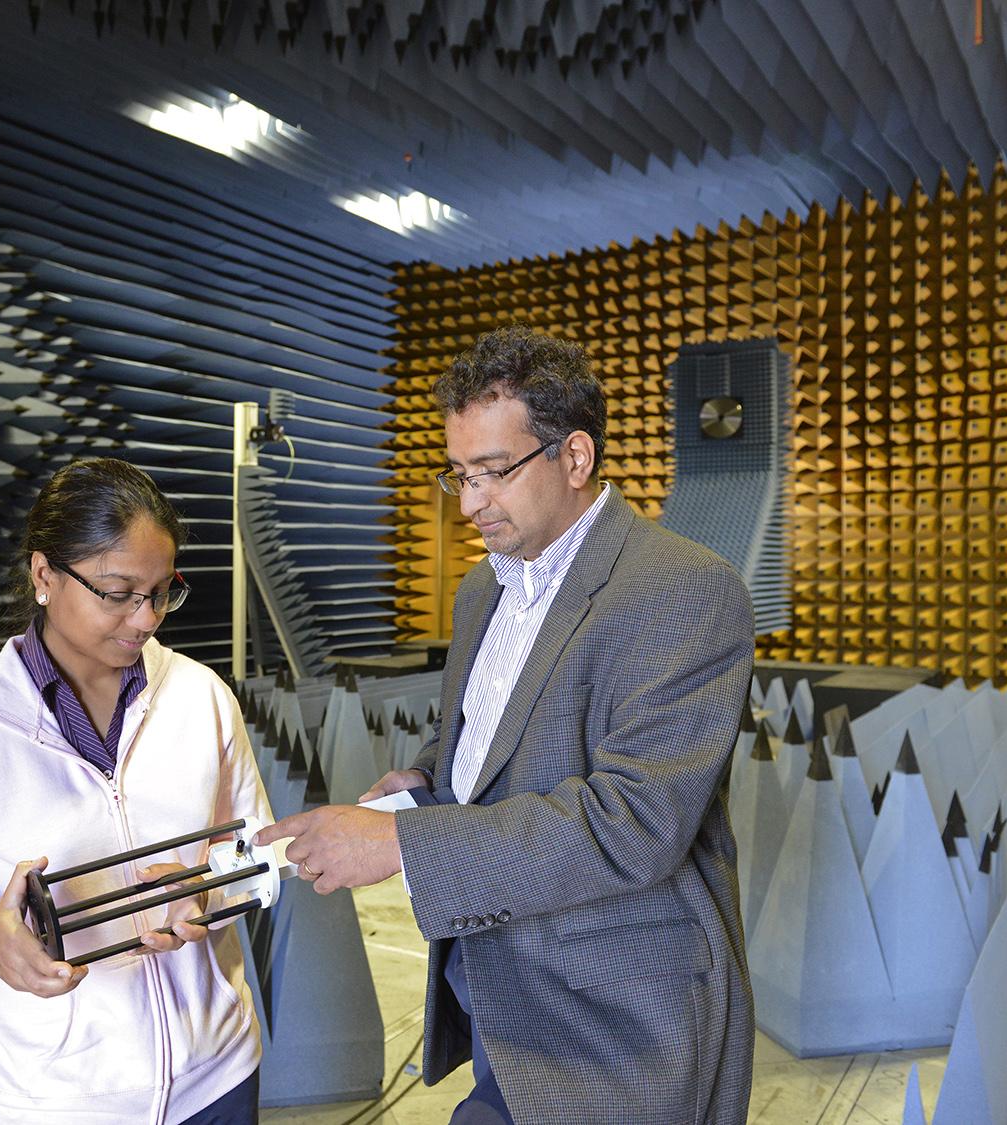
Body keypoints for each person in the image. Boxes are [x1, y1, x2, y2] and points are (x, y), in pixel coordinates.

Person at [256, 324, 756, 1124]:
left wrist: (396, 843)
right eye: (459, 474)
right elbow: (501, 734)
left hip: (613, 1021)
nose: (472, 501)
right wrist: (426, 779)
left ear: (576, 456)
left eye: (493, 472)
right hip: (496, 978)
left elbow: (633, 823)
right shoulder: (483, 589)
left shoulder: (685, 589)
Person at [0, 457, 271, 1125]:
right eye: (118, 591)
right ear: (43, 575)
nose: (145, 619)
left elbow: (257, 857)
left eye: (160, 591)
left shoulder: (202, 696)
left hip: (219, 1077)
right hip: (59, 1101)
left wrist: (206, 889)